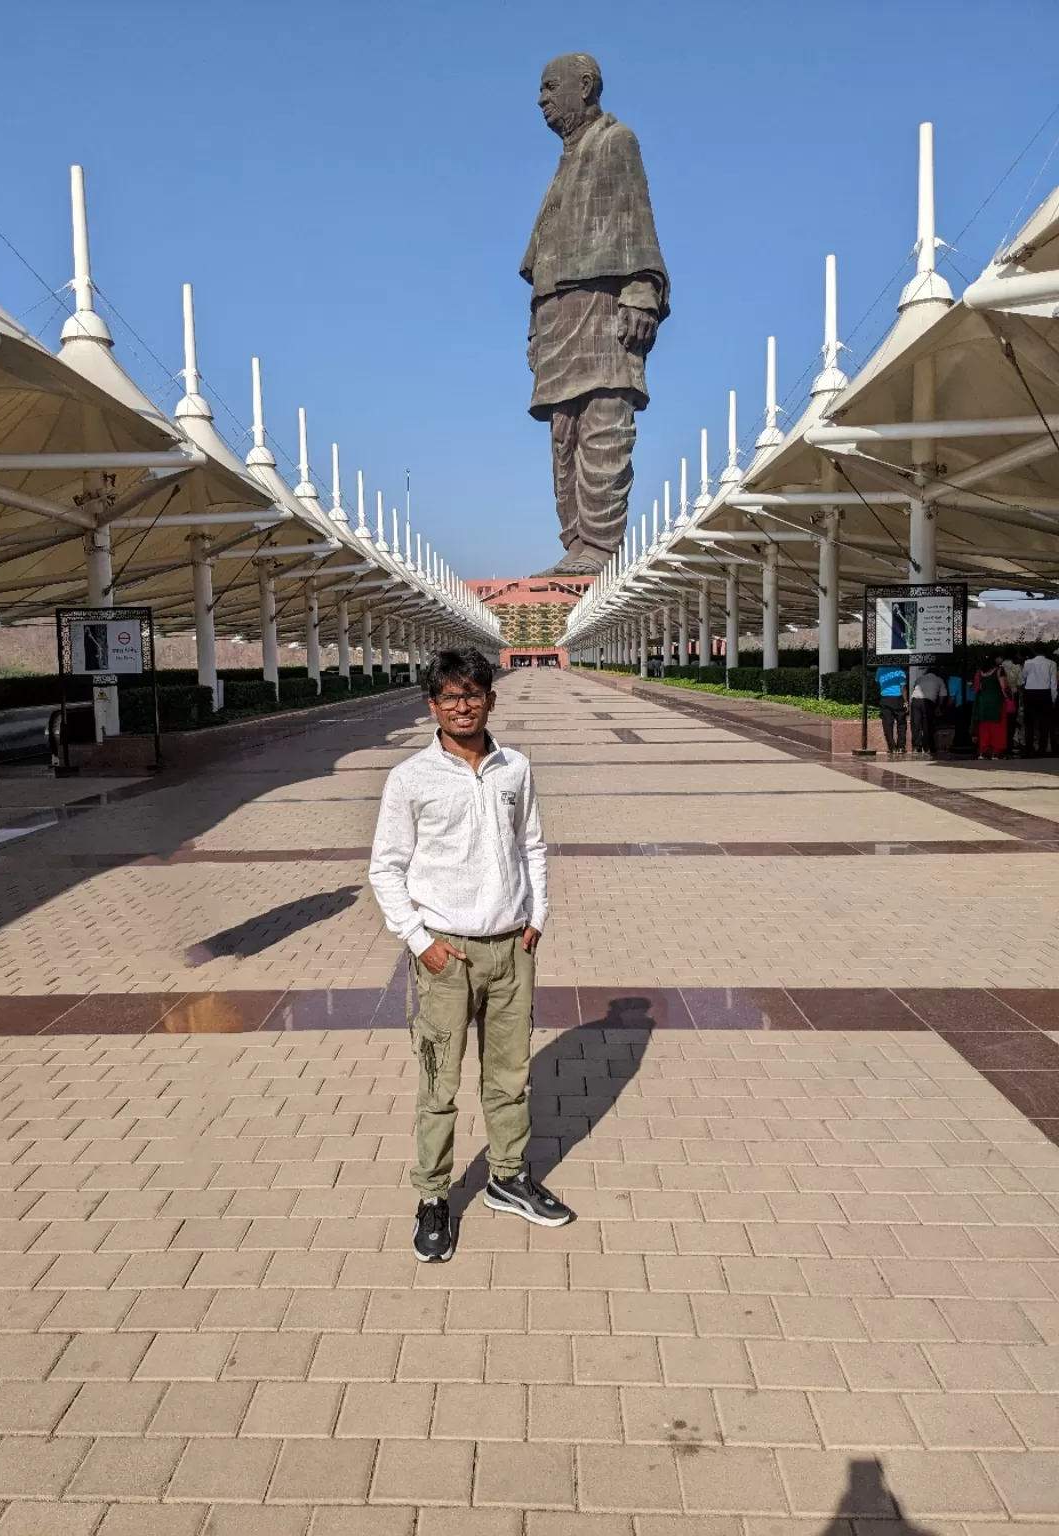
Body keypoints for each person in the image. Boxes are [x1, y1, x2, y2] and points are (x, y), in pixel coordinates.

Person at [369, 649, 573, 1264]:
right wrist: (420, 942)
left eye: (473, 694)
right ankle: (433, 1197)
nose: (463, 706)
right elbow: (385, 868)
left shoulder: (515, 768)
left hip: (513, 950)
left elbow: (531, 844)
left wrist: (535, 917)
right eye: (450, 697)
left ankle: (507, 1178)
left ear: (491, 699)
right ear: (432, 705)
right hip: (446, 956)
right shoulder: (410, 778)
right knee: (440, 1082)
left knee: (511, 1078)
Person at [522, 53, 669, 574]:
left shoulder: (615, 141)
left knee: (604, 424)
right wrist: (537, 328)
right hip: (558, 315)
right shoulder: (565, 162)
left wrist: (640, 292)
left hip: (603, 307)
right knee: (564, 435)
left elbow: (637, 221)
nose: (541, 99)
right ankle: (577, 544)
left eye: (549, 87)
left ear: (583, 86)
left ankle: (602, 546)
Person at [1020, 642, 1057, 757]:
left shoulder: (1028, 663)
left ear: (1034, 651)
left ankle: (1028, 749)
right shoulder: (1052, 664)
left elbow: (1023, 677)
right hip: (1044, 693)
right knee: (1044, 724)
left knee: (1029, 723)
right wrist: (1053, 698)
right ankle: (1042, 749)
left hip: (1030, 693)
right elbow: (1053, 683)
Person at [972, 658, 1011, 759]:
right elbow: (1004, 686)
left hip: (983, 702)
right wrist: (1009, 697)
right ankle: (997, 752)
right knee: (998, 727)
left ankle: (984, 752)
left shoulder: (979, 672)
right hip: (996, 701)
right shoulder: (999, 670)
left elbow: (976, 688)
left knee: (984, 727)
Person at [910, 666, 948, 756]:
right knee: (928, 724)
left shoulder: (920, 678)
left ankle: (916, 747)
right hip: (928, 702)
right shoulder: (939, 680)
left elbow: (914, 688)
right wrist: (939, 707)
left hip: (915, 701)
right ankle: (928, 747)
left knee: (916, 724)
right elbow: (943, 695)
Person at [875, 662, 909, 756]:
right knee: (901, 723)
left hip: (885, 698)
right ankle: (901, 747)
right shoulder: (900, 671)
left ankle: (892, 747)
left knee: (887, 724)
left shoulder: (880, 669)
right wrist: (906, 702)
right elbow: (903, 688)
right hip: (898, 699)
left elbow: (878, 682)